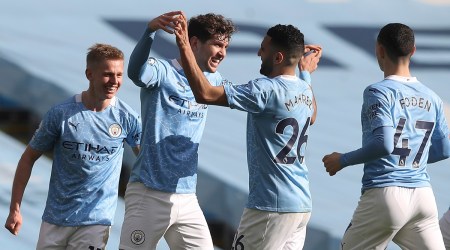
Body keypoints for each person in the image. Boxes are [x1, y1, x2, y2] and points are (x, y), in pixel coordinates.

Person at [174, 13, 322, 249]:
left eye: (263, 49)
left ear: (278, 56)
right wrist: (305, 73)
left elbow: (205, 94)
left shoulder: (266, 90)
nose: (258, 54)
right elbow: (312, 116)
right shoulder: (304, 89)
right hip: (301, 205)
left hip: (270, 207)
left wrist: (184, 46)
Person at [322, 23, 450, 249]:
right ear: (413, 51)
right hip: (423, 197)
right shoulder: (433, 97)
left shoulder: (378, 91)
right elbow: (444, 149)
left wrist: (341, 160)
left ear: (379, 50)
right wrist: (411, 160)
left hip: (385, 194)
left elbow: (384, 144)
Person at [4, 43, 142, 249]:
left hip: (97, 221)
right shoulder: (61, 114)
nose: (114, 81)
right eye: (107, 74)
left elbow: (147, 163)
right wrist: (15, 208)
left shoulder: (127, 118)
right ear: (89, 74)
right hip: (55, 218)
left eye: (119, 75)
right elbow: (28, 157)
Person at [118, 11, 236, 249]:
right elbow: (135, 74)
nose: (222, 53)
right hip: (149, 192)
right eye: (216, 44)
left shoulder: (213, 80)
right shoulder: (163, 70)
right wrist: (149, 32)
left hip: (186, 196)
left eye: (225, 46)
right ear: (194, 42)